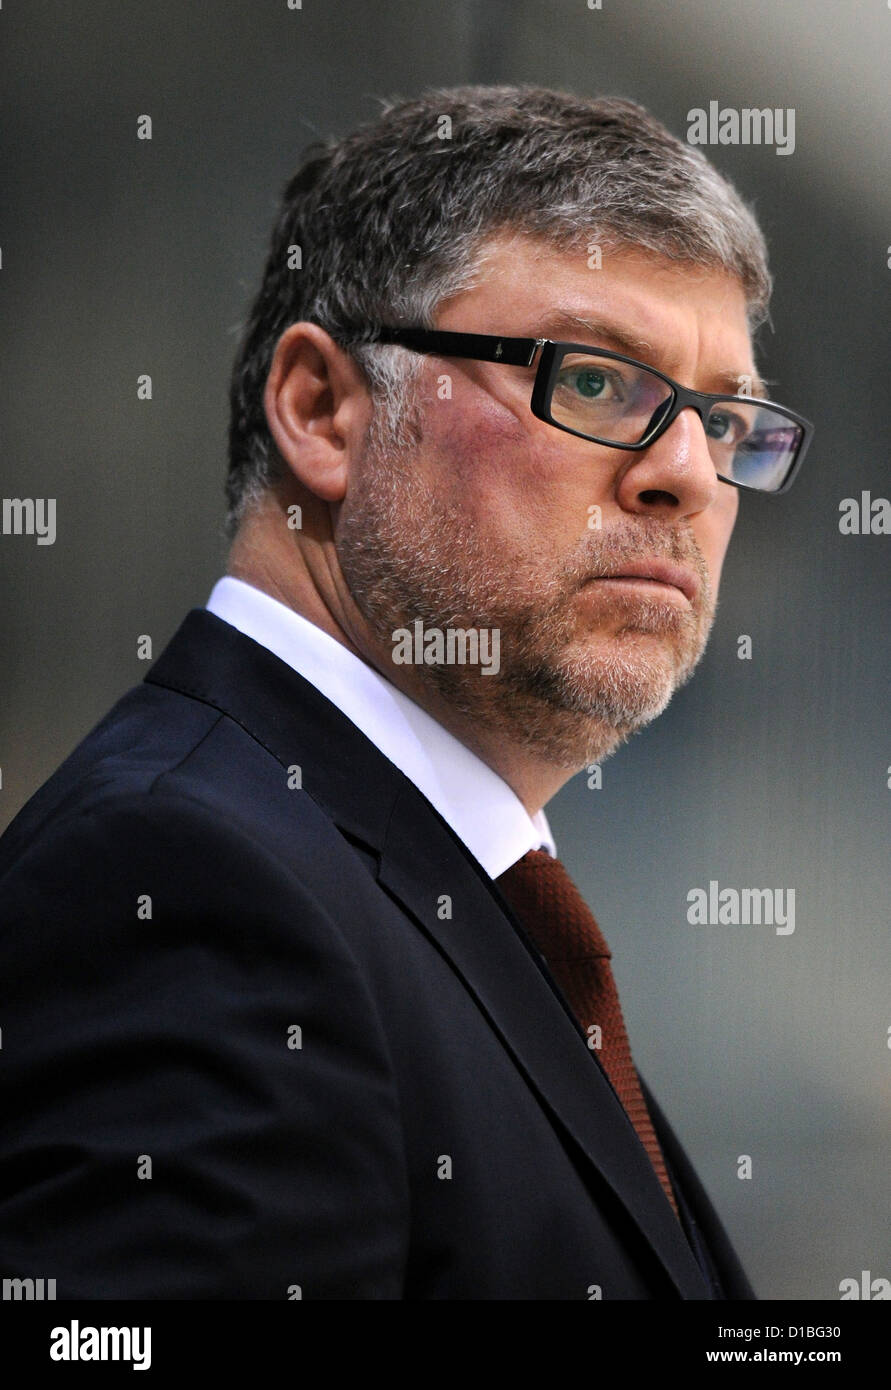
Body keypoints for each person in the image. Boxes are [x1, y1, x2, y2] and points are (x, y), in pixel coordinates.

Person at [0, 85, 812, 1299]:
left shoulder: (434, 882)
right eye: (594, 381)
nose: (687, 475)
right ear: (324, 412)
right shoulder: (181, 876)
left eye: (725, 416)